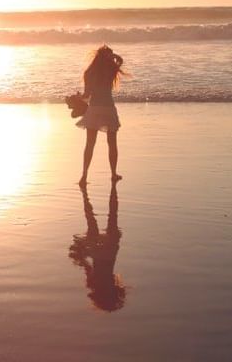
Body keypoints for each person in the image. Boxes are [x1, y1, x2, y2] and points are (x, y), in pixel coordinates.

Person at [68, 181, 125, 312]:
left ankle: (108, 192)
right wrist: (80, 256)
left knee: (112, 216)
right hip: (99, 254)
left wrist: (81, 254)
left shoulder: (107, 286)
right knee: (91, 221)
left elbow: (88, 267)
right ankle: (86, 197)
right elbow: (87, 266)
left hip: (110, 253)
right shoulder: (93, 284)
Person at [76, 45, 128, 186]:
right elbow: (120, 60)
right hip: (108, 109)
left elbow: (87, 95)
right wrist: (113, 56)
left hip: (94, 109)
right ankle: (113, 174)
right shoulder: (110, 70)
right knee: (112, 144)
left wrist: (78, 98)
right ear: (107, 57)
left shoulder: (89, 72)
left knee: (90, 144)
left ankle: (84, 176)